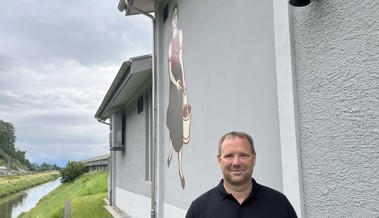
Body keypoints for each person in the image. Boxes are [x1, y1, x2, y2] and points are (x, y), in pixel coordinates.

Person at [185, 131, 298, 218]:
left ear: (253, 159)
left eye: (243, 155)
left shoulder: (279, 203)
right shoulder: (199, 209)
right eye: (229, 156)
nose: (236, 163)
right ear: (219, 160)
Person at [166, 3, 188, 189]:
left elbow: (180, 59)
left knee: (180, 122)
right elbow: (169, 66)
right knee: (171, 119)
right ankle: (169, 151)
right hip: (173, 82)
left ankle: (180, 169)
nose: (174, 19)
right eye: (172, 16)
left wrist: (184, 81)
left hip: (179, 78)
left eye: (176, 16)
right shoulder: (169, 42)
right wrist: (175, 82)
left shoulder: (180, 34)